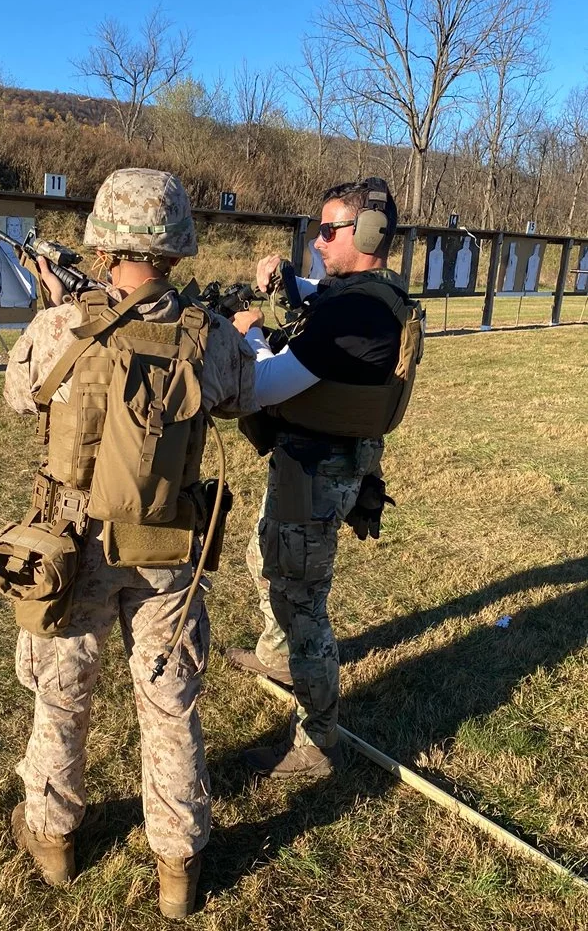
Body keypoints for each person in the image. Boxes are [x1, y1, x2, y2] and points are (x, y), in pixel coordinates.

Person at [1, 168, 256, 918]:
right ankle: (177, 865)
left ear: (105, 240)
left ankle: (52, 838)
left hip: (71, 545)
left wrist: (60, 312)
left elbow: (20, 395)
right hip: (167, 542)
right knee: (170, 700)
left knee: (62, 692)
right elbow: (237, 398)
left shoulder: (59, 326)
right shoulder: (205, 335)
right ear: (176, 246)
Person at [226, 178, 422, 780]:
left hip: (317, 471)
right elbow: (324, 294)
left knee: (302, 602)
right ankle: (277, 656)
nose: (317, 242)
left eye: (328, 232)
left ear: (363, 236)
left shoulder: (351, 314)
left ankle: (317, 743)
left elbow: (263, 385)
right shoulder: (373, 295)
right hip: (317, 462)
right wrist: (292, 281)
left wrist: (248, 334)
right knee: (270, 558)